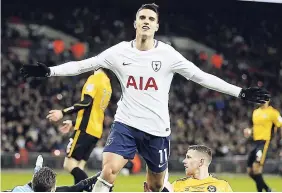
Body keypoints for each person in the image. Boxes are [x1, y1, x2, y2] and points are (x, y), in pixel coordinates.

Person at [20, 3, 270, 192]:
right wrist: (50, 71)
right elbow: (85, 64)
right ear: (135, 23)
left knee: (156, 183)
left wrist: (240, 92)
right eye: (142, 17)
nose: (146, 21)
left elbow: (200, 76)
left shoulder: (168, 55)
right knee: (108, 170)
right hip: (125, 124)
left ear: (157, 26)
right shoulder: (119, 52)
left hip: (157, 130)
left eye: (151, 18)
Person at [46, 69, 112, 185]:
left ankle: (95, 186)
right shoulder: (107, 84)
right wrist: (73, 122)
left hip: (85, 129)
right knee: (79, 167)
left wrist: (63, 112)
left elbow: (86, 102)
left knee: (69, 164)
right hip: (96, 131)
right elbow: (93, 111)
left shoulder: (94, 79)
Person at [144, 145, 233, 192]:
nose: (184, 161)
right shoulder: (176, 186)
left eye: (189, 157)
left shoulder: (222, 186)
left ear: (201, 162)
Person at [244, 100, 282, 192]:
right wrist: (249, 130)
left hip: (264, 142)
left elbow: (280, 125)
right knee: (250, 171)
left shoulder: (273, 112)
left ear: (268, 100)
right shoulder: (255, 112)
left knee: (256, 168)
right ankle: (268, 189)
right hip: (254, 143)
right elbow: (252, 126)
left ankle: (264, 191)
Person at [10, 155, 99, 192]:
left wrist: (38, 168)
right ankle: (88, 183)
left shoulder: (18, 190)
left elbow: (34, 183)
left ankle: (87, 183)